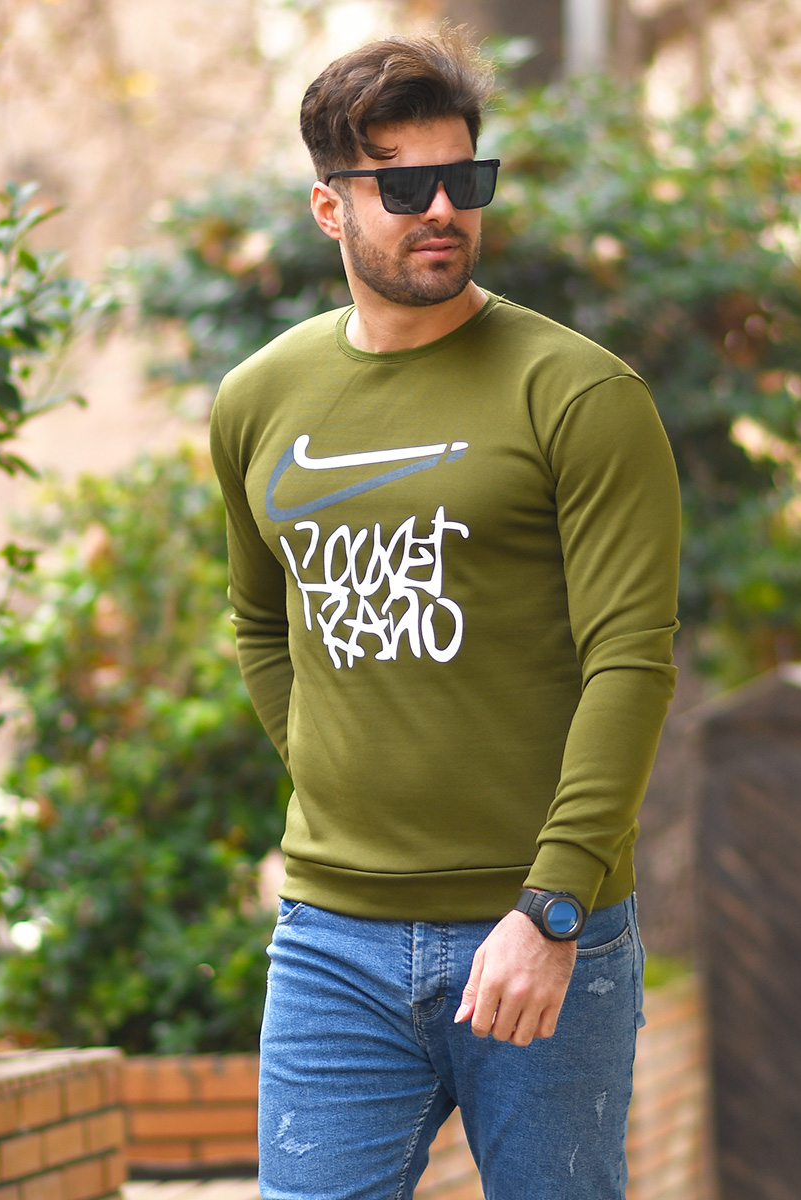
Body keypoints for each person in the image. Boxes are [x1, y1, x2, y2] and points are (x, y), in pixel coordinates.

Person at [209, 27, 680, 1200]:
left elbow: (630, 661)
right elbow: (262, 624)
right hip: (332, 936)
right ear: (329, 207)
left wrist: (554, 906)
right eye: (404, 184)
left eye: (463, 179)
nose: (441, 210)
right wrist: (331, 769)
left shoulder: (579, 394)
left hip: (539, 926)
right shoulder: (259, 400)